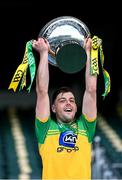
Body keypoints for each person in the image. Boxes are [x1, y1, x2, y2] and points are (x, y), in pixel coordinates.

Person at [32, 37, 97, 179]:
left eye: (72, 100)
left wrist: (89, 52)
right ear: (53, 108)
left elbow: (91, 89)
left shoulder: (86, 127)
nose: (69, 103)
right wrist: (44, 54)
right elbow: (42, 91)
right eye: (62, 100)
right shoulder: (45, 128)